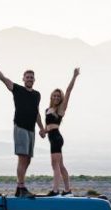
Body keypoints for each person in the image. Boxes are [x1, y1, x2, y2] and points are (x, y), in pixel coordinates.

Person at [0, 54, 44, 198]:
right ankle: (21, 188)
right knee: (22, 158)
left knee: (28, 159)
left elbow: (36, 113)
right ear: (23, 79)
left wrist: (41, 127)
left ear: (34, 80)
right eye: (27, 77)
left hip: (31, 130)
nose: (29, 79)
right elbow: (3, 78)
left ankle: (19, 187)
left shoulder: (37, 95)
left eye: (31, 77)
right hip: (20, 127)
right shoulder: (17, 89)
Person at [41, 68, 80, 196]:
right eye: (55, 95)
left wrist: (74, 76)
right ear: (51, 96)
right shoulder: (47, 109)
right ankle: (67, 190)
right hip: (51, 137)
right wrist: (43, 132)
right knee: (60, 165)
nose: (56, 97)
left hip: (57, 138)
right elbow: (47, 128)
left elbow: (68, 91)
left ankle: (55, 190)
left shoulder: (60, 109)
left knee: (55, 164)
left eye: (58, 96)